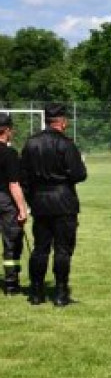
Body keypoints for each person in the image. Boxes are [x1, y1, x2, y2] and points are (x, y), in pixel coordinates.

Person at [20, 103, 88, 307]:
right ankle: (60, 293)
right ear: (63, 121)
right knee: (62, 249)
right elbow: (79, 174)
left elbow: (24, 178)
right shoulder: (66, 144)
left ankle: (36, 292)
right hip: (64, 201)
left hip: (40, 202)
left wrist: (32, 199)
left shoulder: (31, 144)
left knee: (40, 248)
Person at [0, 114, 28, 295]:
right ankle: (11, 285)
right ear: (6, 130)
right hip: (5, 201)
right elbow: (14, 184)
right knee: (12, 242)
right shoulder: (9, 153)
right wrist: (22, 208)